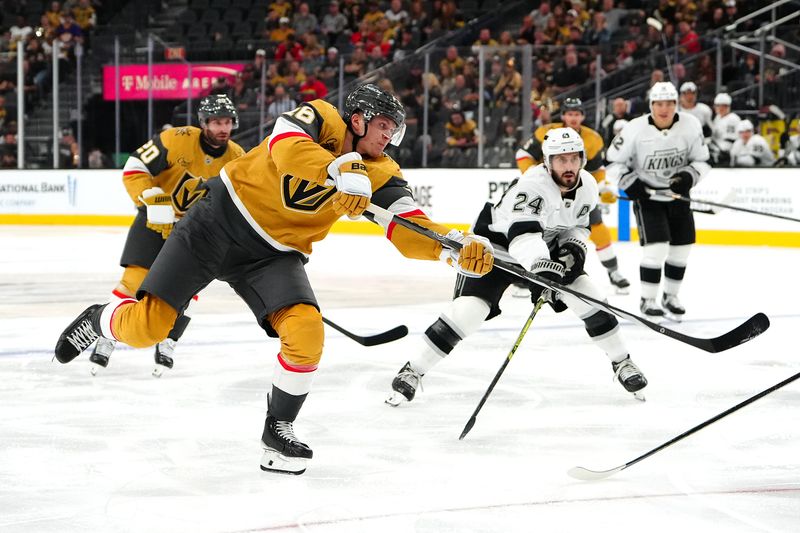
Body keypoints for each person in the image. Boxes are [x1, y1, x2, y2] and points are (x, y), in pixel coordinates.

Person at [54, 84, 494, 475]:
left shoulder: (382, 171)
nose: (387, 137)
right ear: (355, 120)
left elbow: (408, 226)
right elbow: (284, 146)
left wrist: (452, 248)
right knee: (149, 328)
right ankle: (100, 319)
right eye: (382, 126)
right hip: (215, 223)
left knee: (306, 332)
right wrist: (341, 170)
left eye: (393, 131)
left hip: (272, 254)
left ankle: (277, 429)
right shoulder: (320, 115)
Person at [387, 128, 648, 407]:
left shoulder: (588, 186)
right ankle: (413, 370)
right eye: (561, 160)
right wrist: (543, 268)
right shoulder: (532, 185)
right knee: (469, 312)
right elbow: (523, 238)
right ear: (547, 162)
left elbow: (579, 227)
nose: (569, 166)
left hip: (543, 252)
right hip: (495, 250)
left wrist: (573, 248)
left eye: (574, 159)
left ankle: (622, 363)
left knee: (589, 296)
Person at [87, 94, 245, 376]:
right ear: (203, 122)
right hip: (154, 222)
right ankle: (107, 335)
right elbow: (136, 167)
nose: (223, 128)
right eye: (216, 122)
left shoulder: (237, 158)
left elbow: (240, 203)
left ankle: (169, 338)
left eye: (227, 122)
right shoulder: (176, 138)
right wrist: (149, 198)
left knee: (186, 290)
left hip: (194, 232)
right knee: (133, 283)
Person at [606, 81, 711, 320]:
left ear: (677, 104)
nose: (664, 109)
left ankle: (670, 296)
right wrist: (628, 181)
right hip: (649, 197)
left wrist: (688, 176)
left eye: (669, 103)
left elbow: (703, 160)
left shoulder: (691, 124)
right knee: (656, 249)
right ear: (651, 104)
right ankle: (648, 300)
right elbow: (611, 162)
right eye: (659, 103)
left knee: (681, 250)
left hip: (678, 195)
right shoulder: (634, 128)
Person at [516, 97, 631, 293]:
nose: (573, 118)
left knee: (597, 227)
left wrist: (601, 187)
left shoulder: (593, 139)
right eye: (570, 114)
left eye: (577, 114)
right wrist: (538, 179)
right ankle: (526, 278)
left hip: (578, 192)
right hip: (546, 192)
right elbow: (523, 155)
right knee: (538, 231)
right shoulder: (545, 132)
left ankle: (613, 272)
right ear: (563, 116)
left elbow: (597, 169)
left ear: (582, 116)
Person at [710, 92, 741, 166]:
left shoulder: (733, 118)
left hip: (728, 149)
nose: (721, 108)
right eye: (718, 106)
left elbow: (729, 142)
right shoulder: (718, 117)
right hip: (717, 146)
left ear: (728, 107)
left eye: (724, 106)